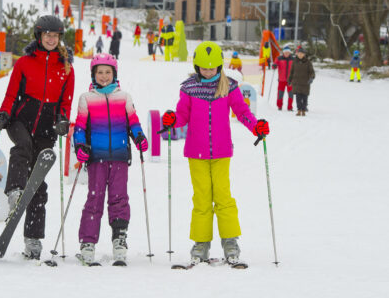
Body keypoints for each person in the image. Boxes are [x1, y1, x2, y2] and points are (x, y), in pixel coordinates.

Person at [161, 41, 269, 266]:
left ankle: (230, 240)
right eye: (203, 68)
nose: (208, 72)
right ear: (196, 65)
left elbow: (242, 111)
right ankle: (201, 243)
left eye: (212, 68)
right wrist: (172, 120)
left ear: (219, 67)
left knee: (223, 196)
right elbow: (182, 115)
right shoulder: (189, 87)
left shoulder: (228, 86)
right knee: (201, 198)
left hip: (221, 152)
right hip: (196, 152)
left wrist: (255, 126)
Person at [0, 15, 75, 260]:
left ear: (59, 38)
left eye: (55, 35)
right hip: (21, 118)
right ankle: (15, 190)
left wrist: (62, 120)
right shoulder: (25, 63)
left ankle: (33, 239)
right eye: (47, 34)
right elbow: (11, 92)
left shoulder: (66, 66)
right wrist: (4, 113)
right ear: (39, 36)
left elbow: (66, 101)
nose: (51, 39)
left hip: (47, 125)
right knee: (23, 147)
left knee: (38, 183)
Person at [73, 53, 148, 265]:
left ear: (114, 74)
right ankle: (88, 242)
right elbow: (79, 128)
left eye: (108, 72)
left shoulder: (124, 97)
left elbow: (133, 123)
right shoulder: (86, 99)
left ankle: (119, 238)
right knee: (94, 199)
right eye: (100, 72)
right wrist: (80, 146)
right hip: (96, 158)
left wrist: (139, 137)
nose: (104, 76)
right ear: (93, 75)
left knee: (119, 198)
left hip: (119, 157)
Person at [288, 46, 315, 116]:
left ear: (304, 54)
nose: (300, 55)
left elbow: (312, 72)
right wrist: (289, 80)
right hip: (296, 83)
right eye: (299, 53)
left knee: (305, 98)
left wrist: (311, 78)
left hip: (305, 83)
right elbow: (291, 72)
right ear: (297, 54)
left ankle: (303, 110)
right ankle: (299, 110)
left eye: (301, 53)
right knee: (298, 98)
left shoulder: (308, 62)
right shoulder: (294, 62)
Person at [272, 46, 294, 111]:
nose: (286, 54)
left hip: (290, 80)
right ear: (283, 53)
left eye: (288, 52)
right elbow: (274, 65)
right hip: (281, 80)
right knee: (280, 94)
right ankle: (279, 106)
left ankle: (290, 107)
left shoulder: (293, 59)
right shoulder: (279, 58)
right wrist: (274, 66)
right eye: (285, 52)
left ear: (290, 53)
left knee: (291, 94)